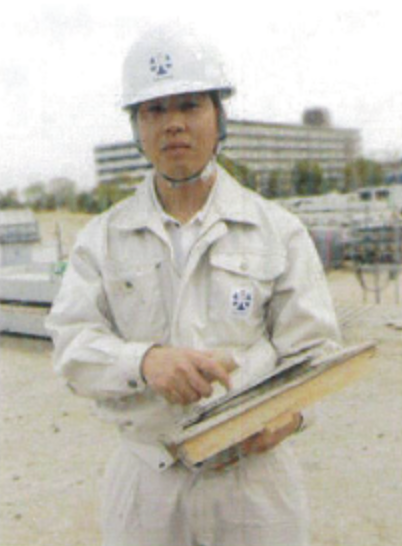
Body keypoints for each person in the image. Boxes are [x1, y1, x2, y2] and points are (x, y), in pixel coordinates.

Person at [46, 25, 342, 546]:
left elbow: (316, 352)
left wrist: (290, 417)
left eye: (190, 105)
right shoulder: (102, 239)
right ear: (137, 127)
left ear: (219, 116)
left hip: (253, 483)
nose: (174, 123)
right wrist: (144, 362)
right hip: (147, 483)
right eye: (154, 110)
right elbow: (72, 346)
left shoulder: (278, 231)